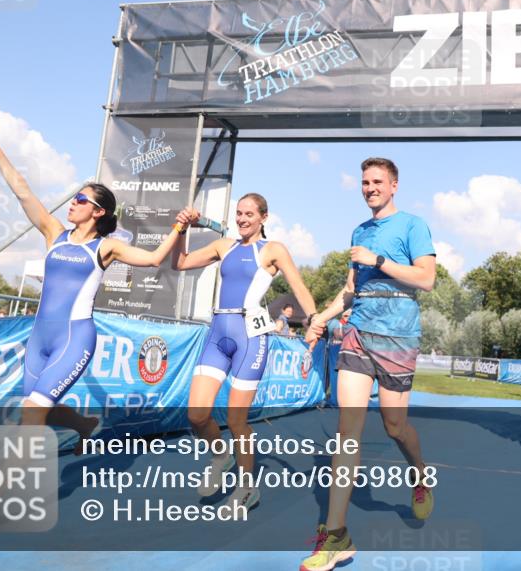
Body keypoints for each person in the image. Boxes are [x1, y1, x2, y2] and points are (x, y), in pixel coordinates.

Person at [0, 118, 194, 451]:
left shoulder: (105, 247)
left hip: (74, 338)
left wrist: (178, 228)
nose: (72, 203)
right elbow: (22, 190)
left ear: (98, 211)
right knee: (39, 409)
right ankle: (83, 423)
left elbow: (153, 260)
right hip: (39, 339)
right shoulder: (54, 234)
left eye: (80, 199)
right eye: (74, 198)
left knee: (32, 413)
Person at [301, 157, 436, 571]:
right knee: (348, 431)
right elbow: (349, 291)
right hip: (358, 331)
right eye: (364, 182)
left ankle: (418, 475)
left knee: (395, 426)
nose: (369, 187)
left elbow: (427, 279)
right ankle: (337, 533)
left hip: (398, 337)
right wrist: (321, 320)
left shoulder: (413, 225)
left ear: (394, 185)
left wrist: (378, 261)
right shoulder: (360, 231)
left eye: (377, 181)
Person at [171, 193, 317, 512]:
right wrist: (182, 229)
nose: (242, 218)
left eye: (249, 213)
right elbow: (179, 263)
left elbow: (300, 287)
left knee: (237, 420)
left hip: (250, 337)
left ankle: (247, 487)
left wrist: (315, 322)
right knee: (197, 414)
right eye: (238, 213)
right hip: (218, 332)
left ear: (264, 217)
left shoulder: (273, 250)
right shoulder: (225, 246)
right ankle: (221, 455)